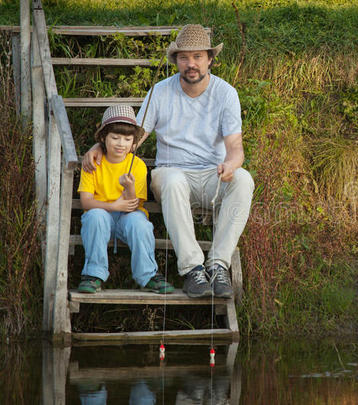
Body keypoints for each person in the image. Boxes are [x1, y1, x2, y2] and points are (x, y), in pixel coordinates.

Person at [83, 25, 254, 299]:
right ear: (175, 60)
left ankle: (219, 264)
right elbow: (132, 138)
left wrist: (231, 165)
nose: (191, 64)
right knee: (172, 180)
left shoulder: (226, 94)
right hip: (172, 174)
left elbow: (235, 147)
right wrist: (99, 146)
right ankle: (193, 269)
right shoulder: (160, 92)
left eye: (198, 56)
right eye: (184, 58)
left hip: (214, 175)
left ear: (210, 58)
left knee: (244, 179)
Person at [78, 105, 174, 294]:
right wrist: (112, 205)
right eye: (115, 137)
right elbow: (86, 202)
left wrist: (129, 187)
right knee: (95, 216)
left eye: (127, 139)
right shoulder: (93, 163)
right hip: (101, 215)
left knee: (141, 224)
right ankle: (93, 274)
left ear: (133, 143)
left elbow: (133, 206)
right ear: (104, 138)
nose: (121, 143)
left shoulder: (136, 165)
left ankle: (147, 275)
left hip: (127, 217)